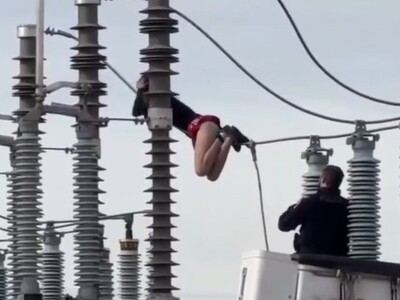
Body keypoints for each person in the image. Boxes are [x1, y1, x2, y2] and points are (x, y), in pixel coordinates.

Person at [132, 74, 250, 182]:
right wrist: (140, 90)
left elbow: (137, 110)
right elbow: (136, 111)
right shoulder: (150, 105)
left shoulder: (163, 99)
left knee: (200, 170)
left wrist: (140, 88)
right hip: (197, 129)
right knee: (212, 176)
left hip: (201, 124)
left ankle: (225, 135)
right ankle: (229, 137)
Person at [278, 165, 349, 256]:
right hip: (338, 260)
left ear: (322, 180)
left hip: (309, 259)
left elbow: (284, 224)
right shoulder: (346, 206)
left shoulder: (309, 203)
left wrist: (294, 207)